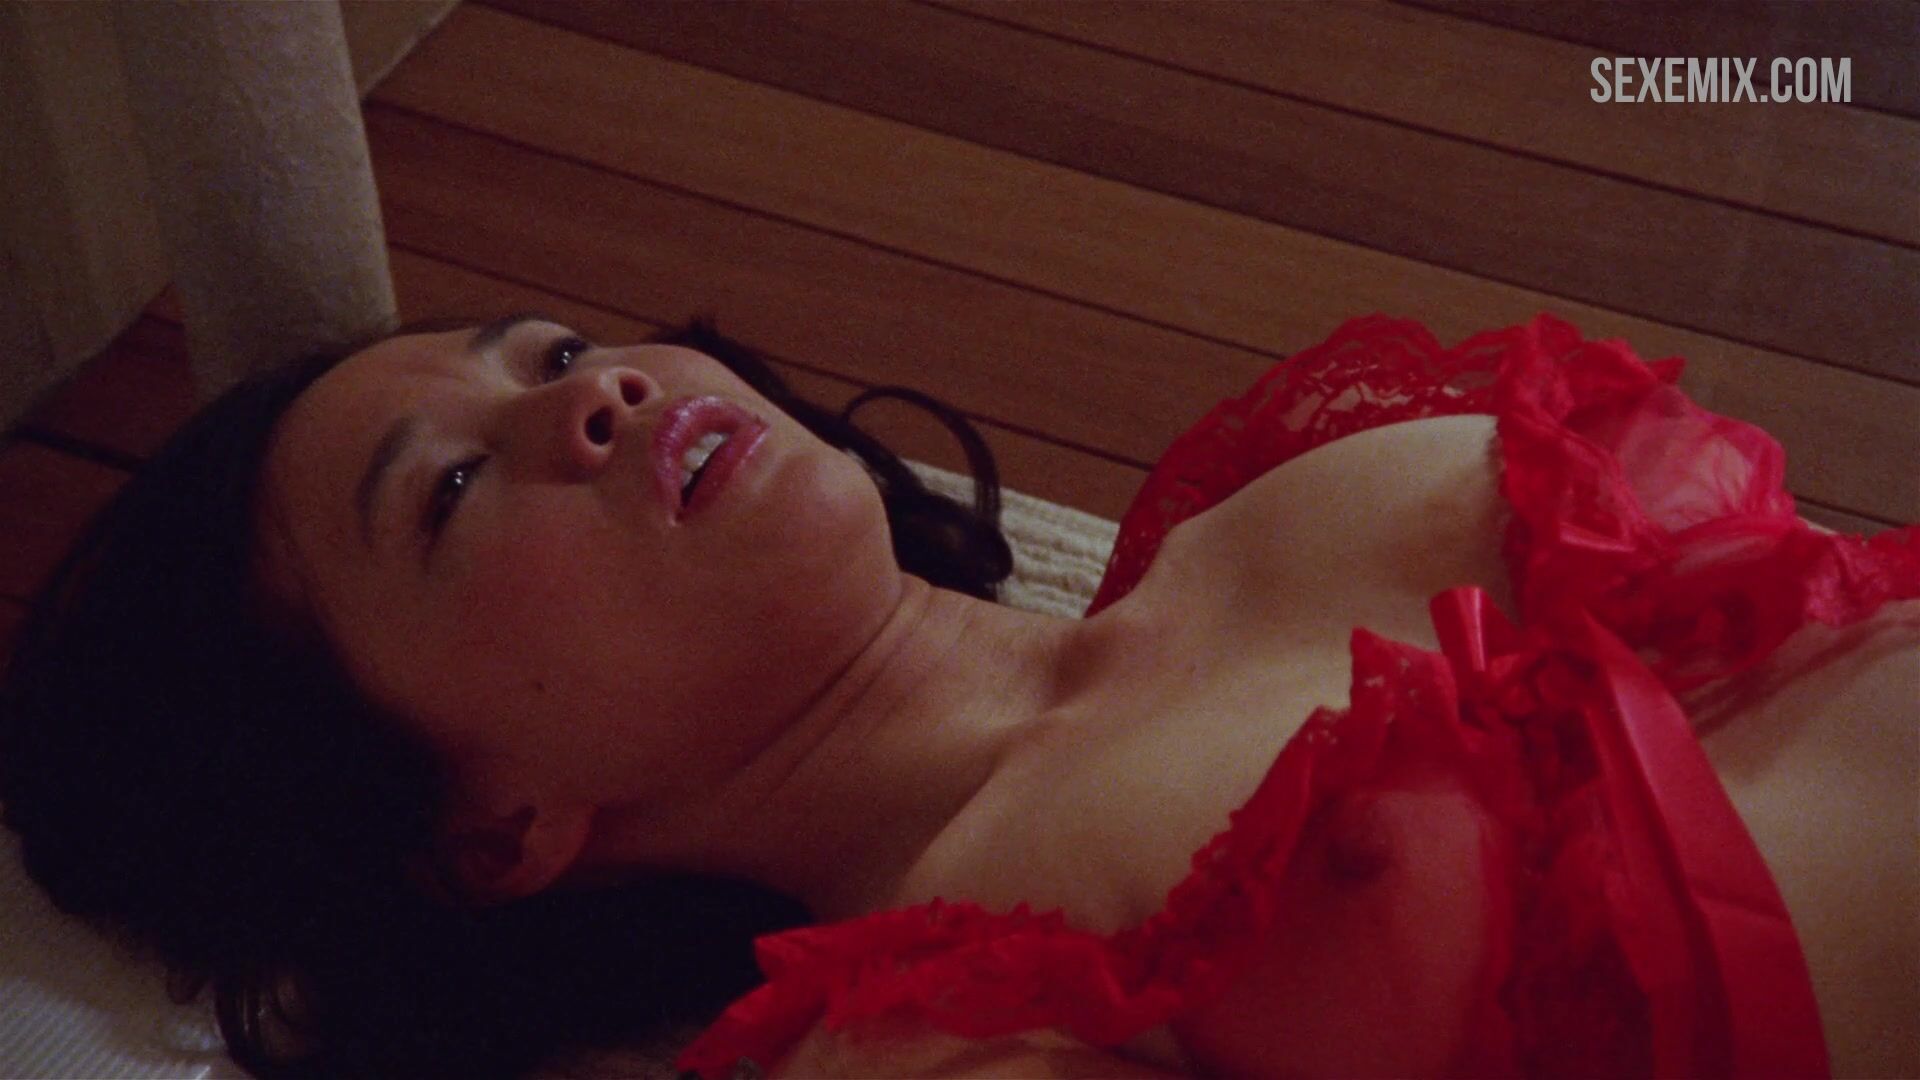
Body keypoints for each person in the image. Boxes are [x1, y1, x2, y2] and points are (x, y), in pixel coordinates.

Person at [1, 311, 1914, 1079]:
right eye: (447, 490)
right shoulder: (937, 1037)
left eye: (548, 350)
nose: (590, 398)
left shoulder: (1262, 477)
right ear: (490, 832)